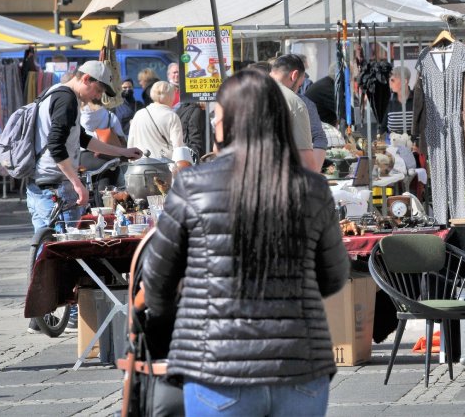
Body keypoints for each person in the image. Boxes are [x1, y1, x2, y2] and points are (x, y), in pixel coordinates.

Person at [142, 69, 349, 415]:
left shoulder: (192, 186)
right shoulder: (311, 188)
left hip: (216, 368)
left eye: (217, 118)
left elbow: (157, 279)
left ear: (230, 122)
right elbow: (334, 276)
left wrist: (177, 318)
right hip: (299, 364)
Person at [27, 61, 142, 234]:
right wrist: (77, 184)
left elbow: (82, 138)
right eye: (98, 90)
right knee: (64, 246)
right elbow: (55, 144)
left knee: (45, 247)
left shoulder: (53, 92)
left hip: (39, 182)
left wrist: (122, 152)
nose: (97, 97)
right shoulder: (67, 100)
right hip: (54, 185)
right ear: (87, 79)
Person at [269, 54, 317, 171]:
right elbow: (306, 160)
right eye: (299, 86)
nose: (298, 90)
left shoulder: (244, 92)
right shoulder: (294, 102)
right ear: (294, 75)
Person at [127, 81, 184, 160]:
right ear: (171, 97)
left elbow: (131, 143)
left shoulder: (139, 114)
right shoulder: (172, 117)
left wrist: (131, 163)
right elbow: (178, 147)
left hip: (140, 165)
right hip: (164, 167)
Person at [381, 66, 414, 137]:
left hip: (414, 146)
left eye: (393, 80)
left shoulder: (417, 100)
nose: (390, 83)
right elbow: (383, 128)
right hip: (392, 145)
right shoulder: (389, 101)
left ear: (404, 81)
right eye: (389, 80)